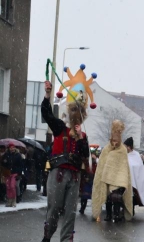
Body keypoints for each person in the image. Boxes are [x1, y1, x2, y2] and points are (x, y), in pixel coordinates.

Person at [40, 80, 90, 242]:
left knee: (70, 213)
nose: (77, 113)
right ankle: (47, 236)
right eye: (75, 109)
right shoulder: (60, 127)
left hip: (74, 177)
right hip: (58, 173)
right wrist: (48, 95)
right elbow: (47, 114)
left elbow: (85, 154)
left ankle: (66, 240)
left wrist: (81, 138)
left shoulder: (83, 136)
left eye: (80, 110)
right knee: (54, 209)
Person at [92, 120, 133, 223]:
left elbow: (123, 166)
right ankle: (109, 214)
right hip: (106, 178)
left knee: (117, 197)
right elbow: (102, 164)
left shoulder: (123, 150)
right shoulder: (106, 149)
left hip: (119, 179)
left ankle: (116, 214)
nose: (114, 143)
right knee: (108, 197)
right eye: (113, 141)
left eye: (116, 141)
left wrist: (122, 180)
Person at [124, 137, 144, 216]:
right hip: (126, 180)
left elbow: (138, 167)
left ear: (129, 147)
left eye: (125, 146)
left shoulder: (136, 155)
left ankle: (131, 209)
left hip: (135, 180)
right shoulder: (124, 155)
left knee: (133, 196)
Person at [1, 143, 23, 207]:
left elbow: (20, 165)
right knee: (8, 187)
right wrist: (4, 162)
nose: (12, 148)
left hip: (14, 172)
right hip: (7, 172)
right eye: (11, 147)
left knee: (12, 186)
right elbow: (3, 163)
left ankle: (13, 200)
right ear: (9, 148)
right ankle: (9, 200)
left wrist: (19, 174)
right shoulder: (6, 154)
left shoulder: (18, 155)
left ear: (15, 148)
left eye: (13, 147)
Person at [79, 148, 98, 214]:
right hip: (87, 180)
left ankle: (95, 210)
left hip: (93, 180)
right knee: (84, 196)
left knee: (95, 196)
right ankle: (82, 208)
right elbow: (83, 170)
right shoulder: (86, 161)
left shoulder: (96, 162)